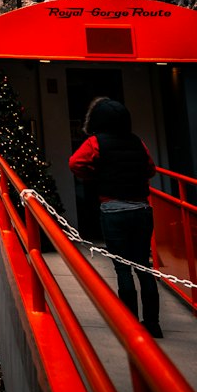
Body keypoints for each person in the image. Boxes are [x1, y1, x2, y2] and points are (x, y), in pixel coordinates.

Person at [69, 96, 162, 337]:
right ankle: (153, 324)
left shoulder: (94, 143)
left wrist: (94, 175)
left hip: (112, 211)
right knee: (144, 266)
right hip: (142, 210)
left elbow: (75, 164)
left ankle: (129, 325)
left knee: (123, 268)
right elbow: (150, 169)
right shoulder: (137, 142)